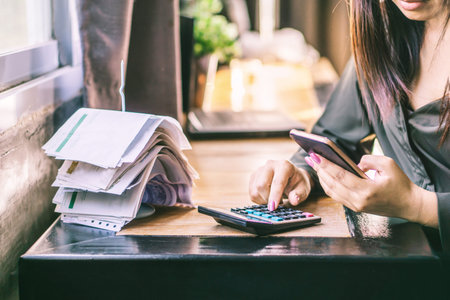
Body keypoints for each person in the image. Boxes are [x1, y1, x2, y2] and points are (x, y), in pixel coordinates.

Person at [248, 0, 450, 251]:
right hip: (408, 265)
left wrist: (417, 204)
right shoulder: (384, 39)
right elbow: (335, 139)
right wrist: (302, 174)